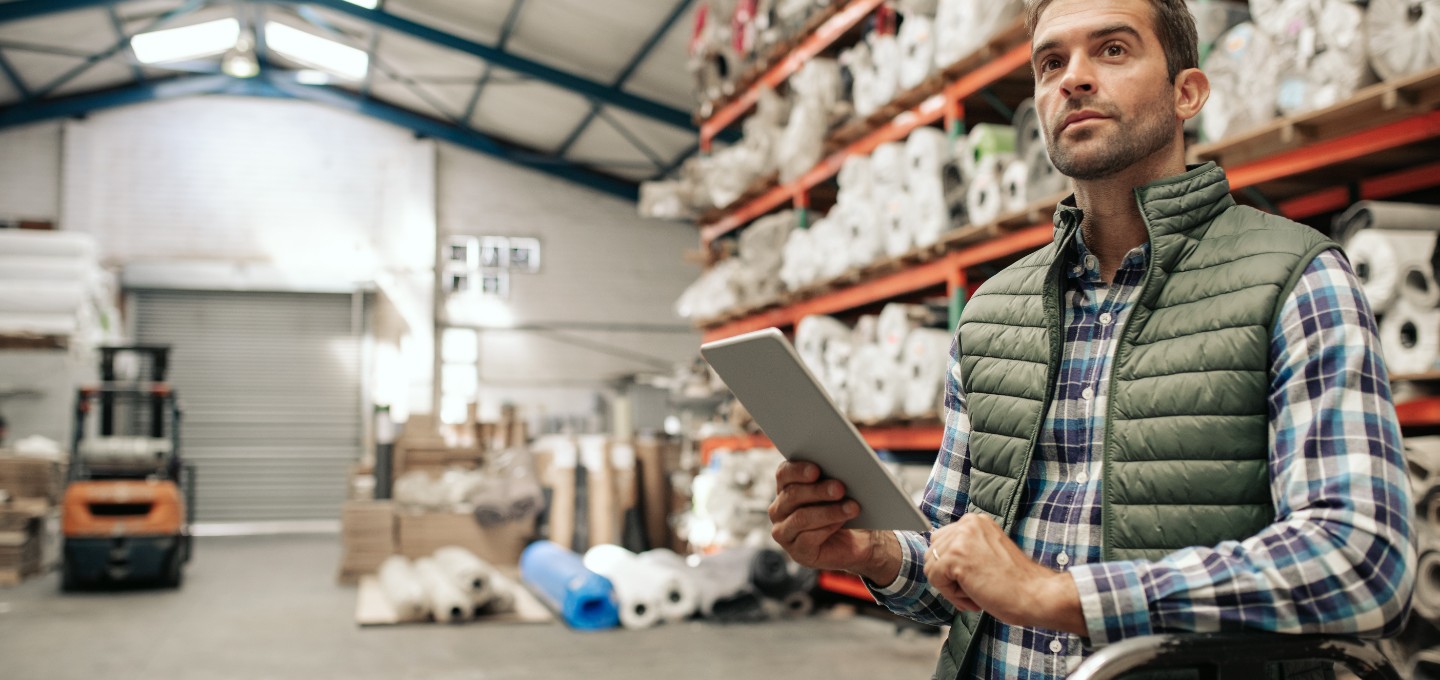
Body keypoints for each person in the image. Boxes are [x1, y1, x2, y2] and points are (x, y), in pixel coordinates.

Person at [767, 0, 1416, 677]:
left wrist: (1063, 595)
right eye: (1052, 62)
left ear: (1186, 92)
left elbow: (1362, 558)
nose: (1073, 78)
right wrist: (874, 550)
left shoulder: (1296, 281)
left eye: (1112, 50)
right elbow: (954, 568)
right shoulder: (992, 315)